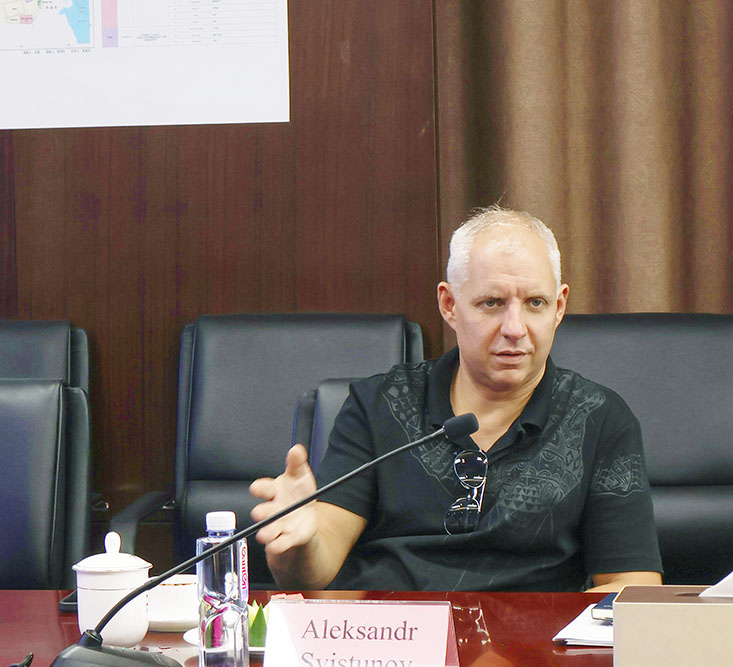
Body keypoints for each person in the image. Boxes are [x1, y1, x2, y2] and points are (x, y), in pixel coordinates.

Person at [250, 206, 662, 592]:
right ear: (449, 305)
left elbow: (632, 588)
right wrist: (299, 544)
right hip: (394, 636)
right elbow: (316, 566)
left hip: (534, 640)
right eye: (492, 303)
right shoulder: (379, 404)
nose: (515, 328)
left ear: (559, 306)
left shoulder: (598, 417)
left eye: (535, 303)